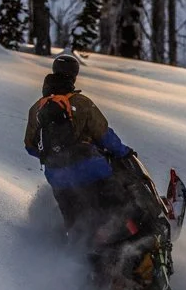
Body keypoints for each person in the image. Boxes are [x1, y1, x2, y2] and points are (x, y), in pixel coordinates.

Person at [24, 52, 134, 235]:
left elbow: (30, 146)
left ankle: (80, 251)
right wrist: (124, 152)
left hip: (58, 178)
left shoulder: (36, 109)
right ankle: (135, 233)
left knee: (75, 224)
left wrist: (55, 154)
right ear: (74, 76)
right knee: (122, 205)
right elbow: (104, 135)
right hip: (91, 169)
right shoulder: (81, 103)